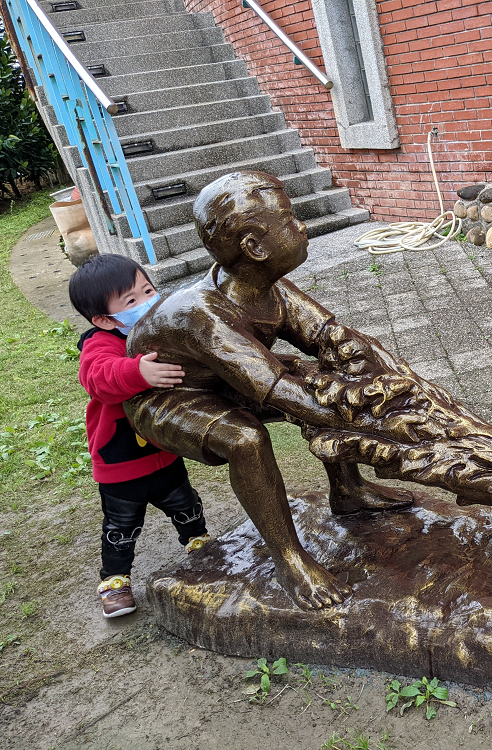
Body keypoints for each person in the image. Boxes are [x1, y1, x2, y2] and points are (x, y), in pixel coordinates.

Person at [123, 171, 415, 612]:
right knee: (246, 438)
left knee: (322, 374)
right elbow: (275, 389)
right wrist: (375, 421)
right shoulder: (200, 312)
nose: (301, 226)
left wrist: (398, 384)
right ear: (254, 248)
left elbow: (337, 339)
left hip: (231, 375)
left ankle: (348, 490)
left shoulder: (269, 287)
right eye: (290, 219)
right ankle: (290, 559)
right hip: (168, 395)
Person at [68, 254, 211, 618]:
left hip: (164, 452)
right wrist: (138, 372)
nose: (146, 301)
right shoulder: (101, 342)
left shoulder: (159, 329)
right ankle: (114, 580)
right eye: (131, 301)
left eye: (148, 290)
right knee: (121, 527)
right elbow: (98, 378)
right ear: (104, 318)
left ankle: (200, 545)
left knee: (185, 505)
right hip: (121, 461)